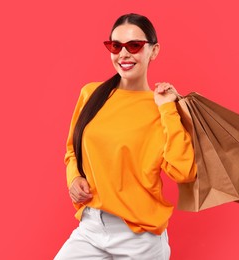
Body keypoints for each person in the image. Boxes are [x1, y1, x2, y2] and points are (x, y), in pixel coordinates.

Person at [54, 13, 197, 260]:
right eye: (115, 45)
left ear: (154, 51)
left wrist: (166, 108)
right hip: (91, 227)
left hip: (140, 238)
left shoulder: (162, 108)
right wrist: (74, 178)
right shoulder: (91, 94)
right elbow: (72, 152)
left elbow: (184, 172)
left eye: (134, 46)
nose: (123, 54)